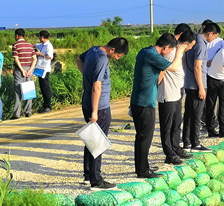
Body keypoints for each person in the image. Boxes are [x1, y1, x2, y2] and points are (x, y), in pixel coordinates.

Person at [131, 34, 188, 178]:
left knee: (141, 137)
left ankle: (142, 167)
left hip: (138, 101)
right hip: (145, 103)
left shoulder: (144, 51)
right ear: (165, 48)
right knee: (145, 137)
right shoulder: (152, 55)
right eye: (170, 50)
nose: (170, 53)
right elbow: (174, 67)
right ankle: (143, 170)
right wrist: (180, 52)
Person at [76, 37, 129, 190]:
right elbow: (97, 86)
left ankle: (88, 175)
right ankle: (97, 181)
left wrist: (86, 77)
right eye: (118, 56)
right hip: (99, 106)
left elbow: (78, 60)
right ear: (112, 50)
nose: (116, 58)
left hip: (87, 100)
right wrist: (95, 111)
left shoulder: (93, 50)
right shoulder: (102, 58)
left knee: (91, 139)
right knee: (98, 142)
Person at [157, 28, 196, 165]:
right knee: (167, 126)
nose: (190, 49)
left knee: (177, 123)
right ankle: (169, 154)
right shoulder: (171, 53)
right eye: (190, 46)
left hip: (177, 93)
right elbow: (161, 71)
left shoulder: (179, 53)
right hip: (167, 94)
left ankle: (175, 147)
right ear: (185, 43)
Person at [182, 22, 221, 152]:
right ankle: (196, 143)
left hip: (189, 83)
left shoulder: (193, 39)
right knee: (197, 115)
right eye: (214, 37)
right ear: (210, 34)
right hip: (197, 84)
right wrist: (201, 87)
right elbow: (197, 66)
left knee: (188, 114)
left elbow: (184, 60)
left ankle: (187, 142)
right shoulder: (201, 43)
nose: (214, 39)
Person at [11, 29, 36, 119]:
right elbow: (34, 59)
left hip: (19, 70)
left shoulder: (15, 45)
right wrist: (30, 70)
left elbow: (16, 59)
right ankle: (28, 111)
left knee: (18, 92)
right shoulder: (30, 45)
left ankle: (17, 114)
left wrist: (22, 70)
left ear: (17, 36)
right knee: (28, 90)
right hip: (29, 69)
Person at [34, 30, 54, 113]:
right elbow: (35, 45)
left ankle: (48, 105)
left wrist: (40, 54)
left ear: (42, 37)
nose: (39, 38)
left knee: (46, 87)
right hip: (40, 68)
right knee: (42, 87)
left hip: (45, 69)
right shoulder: (42, 45)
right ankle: (45, 104)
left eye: (39, 37)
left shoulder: (49, 46)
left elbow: (50, 57)